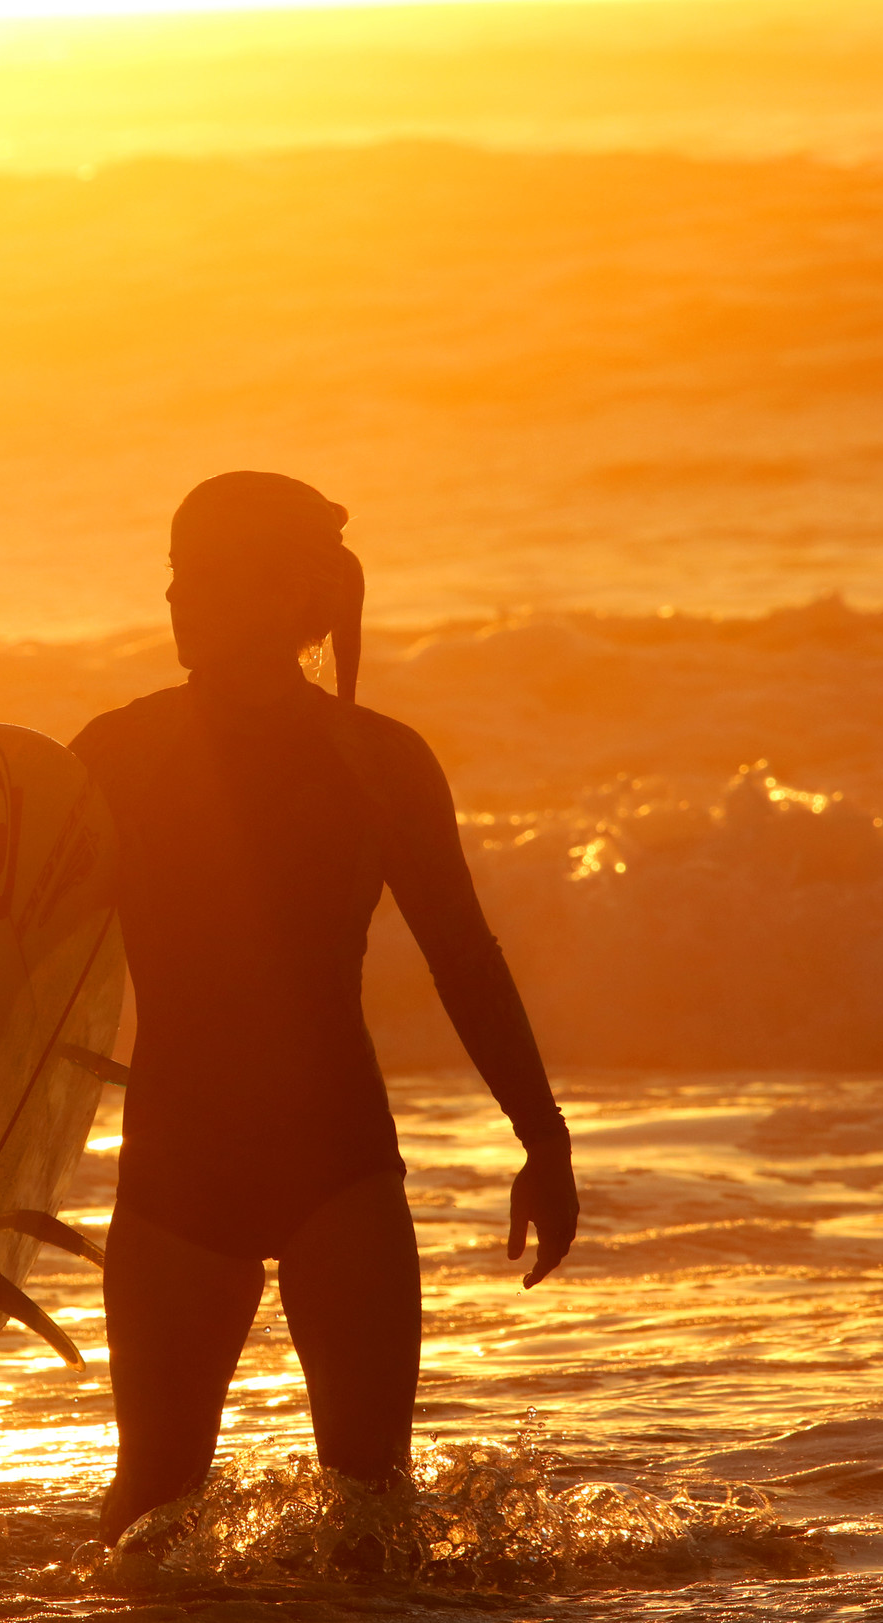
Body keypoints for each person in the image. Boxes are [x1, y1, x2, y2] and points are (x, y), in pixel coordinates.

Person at [68, 471, 580, 1546]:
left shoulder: (378, 762)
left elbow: (463, 958)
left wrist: (542, 1135)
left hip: (338, 1167)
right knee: (147, 1513)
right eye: (172, 576)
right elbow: (19, 972)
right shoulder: (114, 755)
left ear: (287, 596)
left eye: (202, 577)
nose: (174, 600)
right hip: (174, 1174)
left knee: (370, 1511)